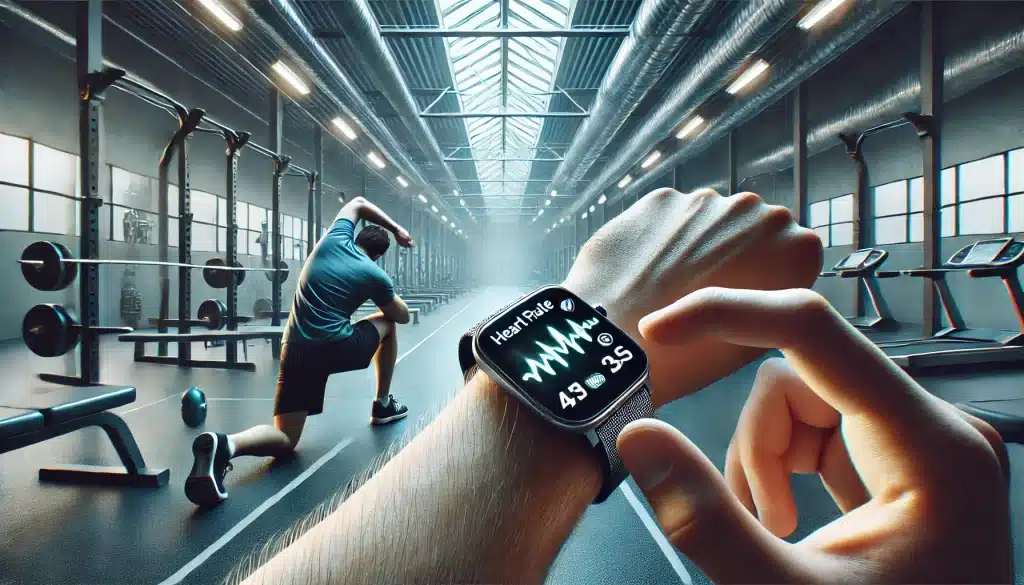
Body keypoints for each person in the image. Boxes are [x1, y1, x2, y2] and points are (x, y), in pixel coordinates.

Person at [234, 188, 1010, 585]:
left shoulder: (339, 235)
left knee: (296, 417)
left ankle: (250, 439)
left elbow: (359, 219)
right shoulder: (364, 251)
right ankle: (380, 391)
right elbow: (394, 299)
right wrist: (605, 332)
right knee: (389, 330)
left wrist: (608, 314)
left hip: (302, 345)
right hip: (357, 336)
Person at [186, 196, 415, 507]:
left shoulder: (331, 240)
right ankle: (383, 404)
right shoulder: (375, 275)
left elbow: (359, 203)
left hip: (294, 347)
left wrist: (396, 229)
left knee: (286, 440)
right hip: (335, 347)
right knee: (387, 323)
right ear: (377, 255)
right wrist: (386, 290)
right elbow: (400, 315)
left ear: (352, 233)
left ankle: (226, 445)